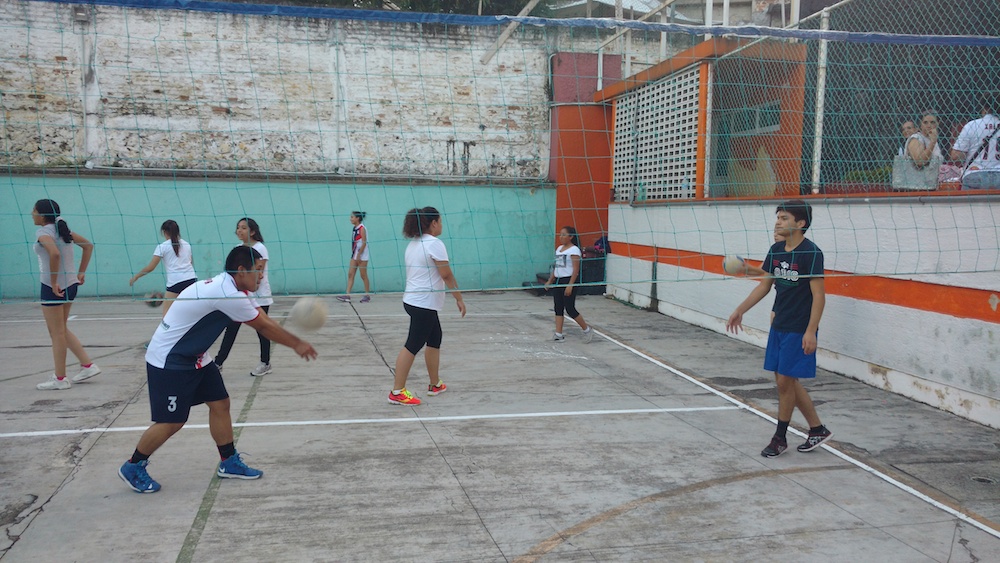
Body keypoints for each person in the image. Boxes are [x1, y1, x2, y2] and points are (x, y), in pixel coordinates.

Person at [118, 246, 317, 493]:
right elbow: (264, 326)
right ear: (242, 271)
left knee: (220, 403)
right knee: (172, 421)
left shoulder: (237, 288)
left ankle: (228, 462)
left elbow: (263, 319)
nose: (262, 276)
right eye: (258, 271)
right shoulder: (227, 293)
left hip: (196, 356)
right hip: (171, 359)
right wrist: (297, 343)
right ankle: (133, 465)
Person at [726, 200, 832, 458]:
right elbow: (765, 284)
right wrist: (741, 309)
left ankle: (780, 437)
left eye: (784, 218)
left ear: (801, 224)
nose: (778, 222)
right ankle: (817, 429)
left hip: (799, 327)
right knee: (785, 381)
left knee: (785, 381)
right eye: (778, 217)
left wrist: (811, 330)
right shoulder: (776, 250)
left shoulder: (811, 253)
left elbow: (819, 296)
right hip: (780, 324)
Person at [389, 207, 465, 406]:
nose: (441, 225)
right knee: (412, 345)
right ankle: (397, 391)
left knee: (435, 338)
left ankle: (435, 384)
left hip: (414, 301)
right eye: (440, 221)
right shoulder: (434, 243)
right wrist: (459, 297)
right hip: (423, 303)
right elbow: (446, 274)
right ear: (433, 223)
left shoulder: (414, 244)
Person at [31, 199, 101, 390]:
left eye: (34, 210)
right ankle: (87, 365)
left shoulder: (44, 233)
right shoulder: (63, 231)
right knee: (61, 329)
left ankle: (60, 379)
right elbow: (88, 245)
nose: (31, 213)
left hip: (54, 287)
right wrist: (81, 272)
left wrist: (53, 282)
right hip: (71, 284)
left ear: (42, 215)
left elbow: (54, 254)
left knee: (56, 333)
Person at [214, 217, 274, 377]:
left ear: (253, 231)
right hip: (240, 296)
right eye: (238, 228)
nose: (239, 231)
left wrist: (251, 291)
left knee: (262, 329)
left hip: (259, 297)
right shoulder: (238, 249)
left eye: (244, 228)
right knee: (231, 328)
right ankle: (218, 363)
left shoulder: (260, 248)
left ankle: (265, 363)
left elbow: (259, 272)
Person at [129, 220, 198, 316]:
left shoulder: (162, 247)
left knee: (167, 314)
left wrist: (136, 276)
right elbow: (190, 263)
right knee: (191, 313)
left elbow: (150, 267)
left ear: (164, 232)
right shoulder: (186, 244)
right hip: (191, 280)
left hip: (175, 283)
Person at [544, 226, 594, 343]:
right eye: (560, 234)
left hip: (568, 280)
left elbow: (576, 270)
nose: (561, 237)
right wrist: (550, 280)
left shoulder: (574, 250)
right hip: (558, 280)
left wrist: (570, 285)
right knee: (558, 307)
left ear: (571, 237)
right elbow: (557, 265)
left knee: (570, 308)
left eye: (564, 235)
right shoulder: (559, 248)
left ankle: (587, 330)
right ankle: (558, 334)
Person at [950, 93, 1000, 190]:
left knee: (970, 204)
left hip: (975, 174)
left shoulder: (972, 125)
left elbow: (955, 155)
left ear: (985, 108)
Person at [893, 110, 943, 191]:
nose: (929, 125)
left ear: (938, 124)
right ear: (921, 124)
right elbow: (920, 161)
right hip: (916, 187)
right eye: (925, 122)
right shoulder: (916, 138)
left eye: (932, 122)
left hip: (931, 184)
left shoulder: (932, 140)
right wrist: (932, 143)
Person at [337, 211, 371, 303]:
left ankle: (367, 295)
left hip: (362, 255)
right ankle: (347, 295)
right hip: (355, 254)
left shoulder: (362, 228)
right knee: (350, 274)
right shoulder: (354, 228)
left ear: (358, 218)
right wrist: (355, 254)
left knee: (363, 275)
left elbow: (364, 242)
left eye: (352, 217)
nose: (350, 219)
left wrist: (359, 254)